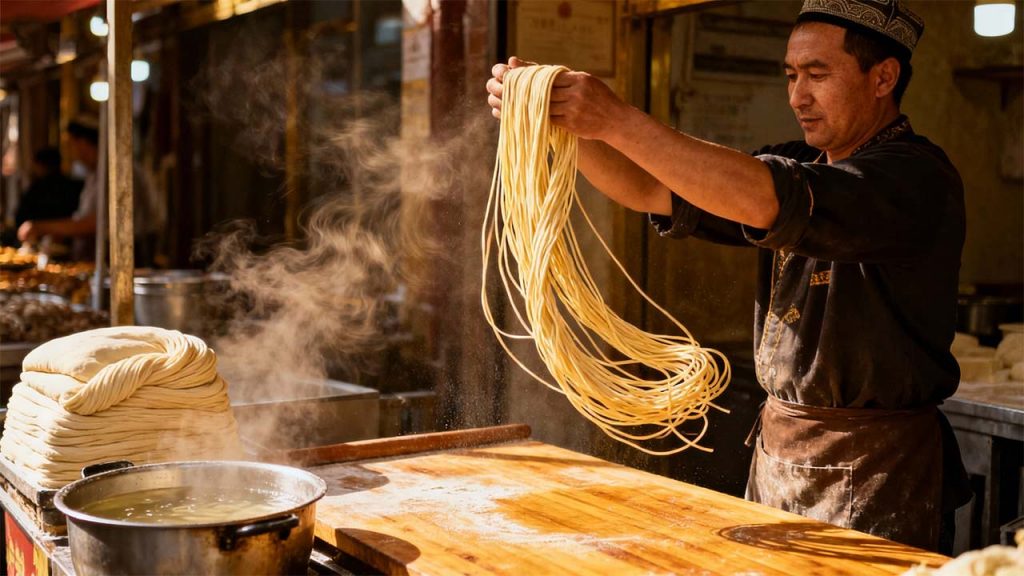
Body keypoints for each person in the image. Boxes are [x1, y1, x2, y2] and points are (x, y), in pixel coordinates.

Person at [486, 0, 970, 554]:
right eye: (791, 75)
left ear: (883, 76)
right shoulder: (800, 161)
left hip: (881, 471)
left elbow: (764, 196)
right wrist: (563, 121)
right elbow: (650, 188)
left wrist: (618, 119)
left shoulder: (914, 177)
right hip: (779, 454)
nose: (797, 96)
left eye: (818, 74)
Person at [18, 117, 163, 266]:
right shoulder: (95, 174)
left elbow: (96, 223)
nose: (70, 152)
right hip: (96, 259)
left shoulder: (117, 172)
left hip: (124, 259)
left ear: (83, 143)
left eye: (71, 145)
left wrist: (41, 227)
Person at [14, 148, 82, 229]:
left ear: (40, 165)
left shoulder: (37, 189)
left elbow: (21, 217)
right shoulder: (73, 186)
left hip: (41, 235)